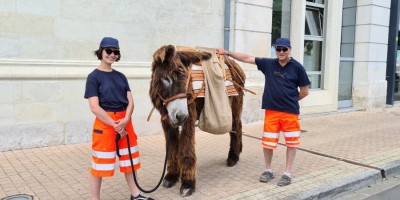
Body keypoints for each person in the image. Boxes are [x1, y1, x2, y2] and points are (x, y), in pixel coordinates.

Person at [216, 38, 310, 186]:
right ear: (275, 49)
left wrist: (290, 100)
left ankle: (287, 173)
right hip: (271, 113)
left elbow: (304, 92)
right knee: (268, 143)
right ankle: (268, 170)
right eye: (278, 49)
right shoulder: (269, 64)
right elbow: (247, 58)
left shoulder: (297, 67)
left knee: (291, 143)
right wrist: (227, 53)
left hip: (290, 113)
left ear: (290, 49)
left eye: (284, 49)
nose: (281, 52)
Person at [84, 37, 154, 200]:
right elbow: (94, 107)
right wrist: (115, 125)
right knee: (99, 163)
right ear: (101, 52)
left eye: (116, 52)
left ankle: (135, 194)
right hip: (105, 123)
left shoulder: (121, 76)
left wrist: (126, 119)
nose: (112, 55)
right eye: (109, 51)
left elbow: (130, 101)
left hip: (125, 121)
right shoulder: (93, 77)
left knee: (129, 160)